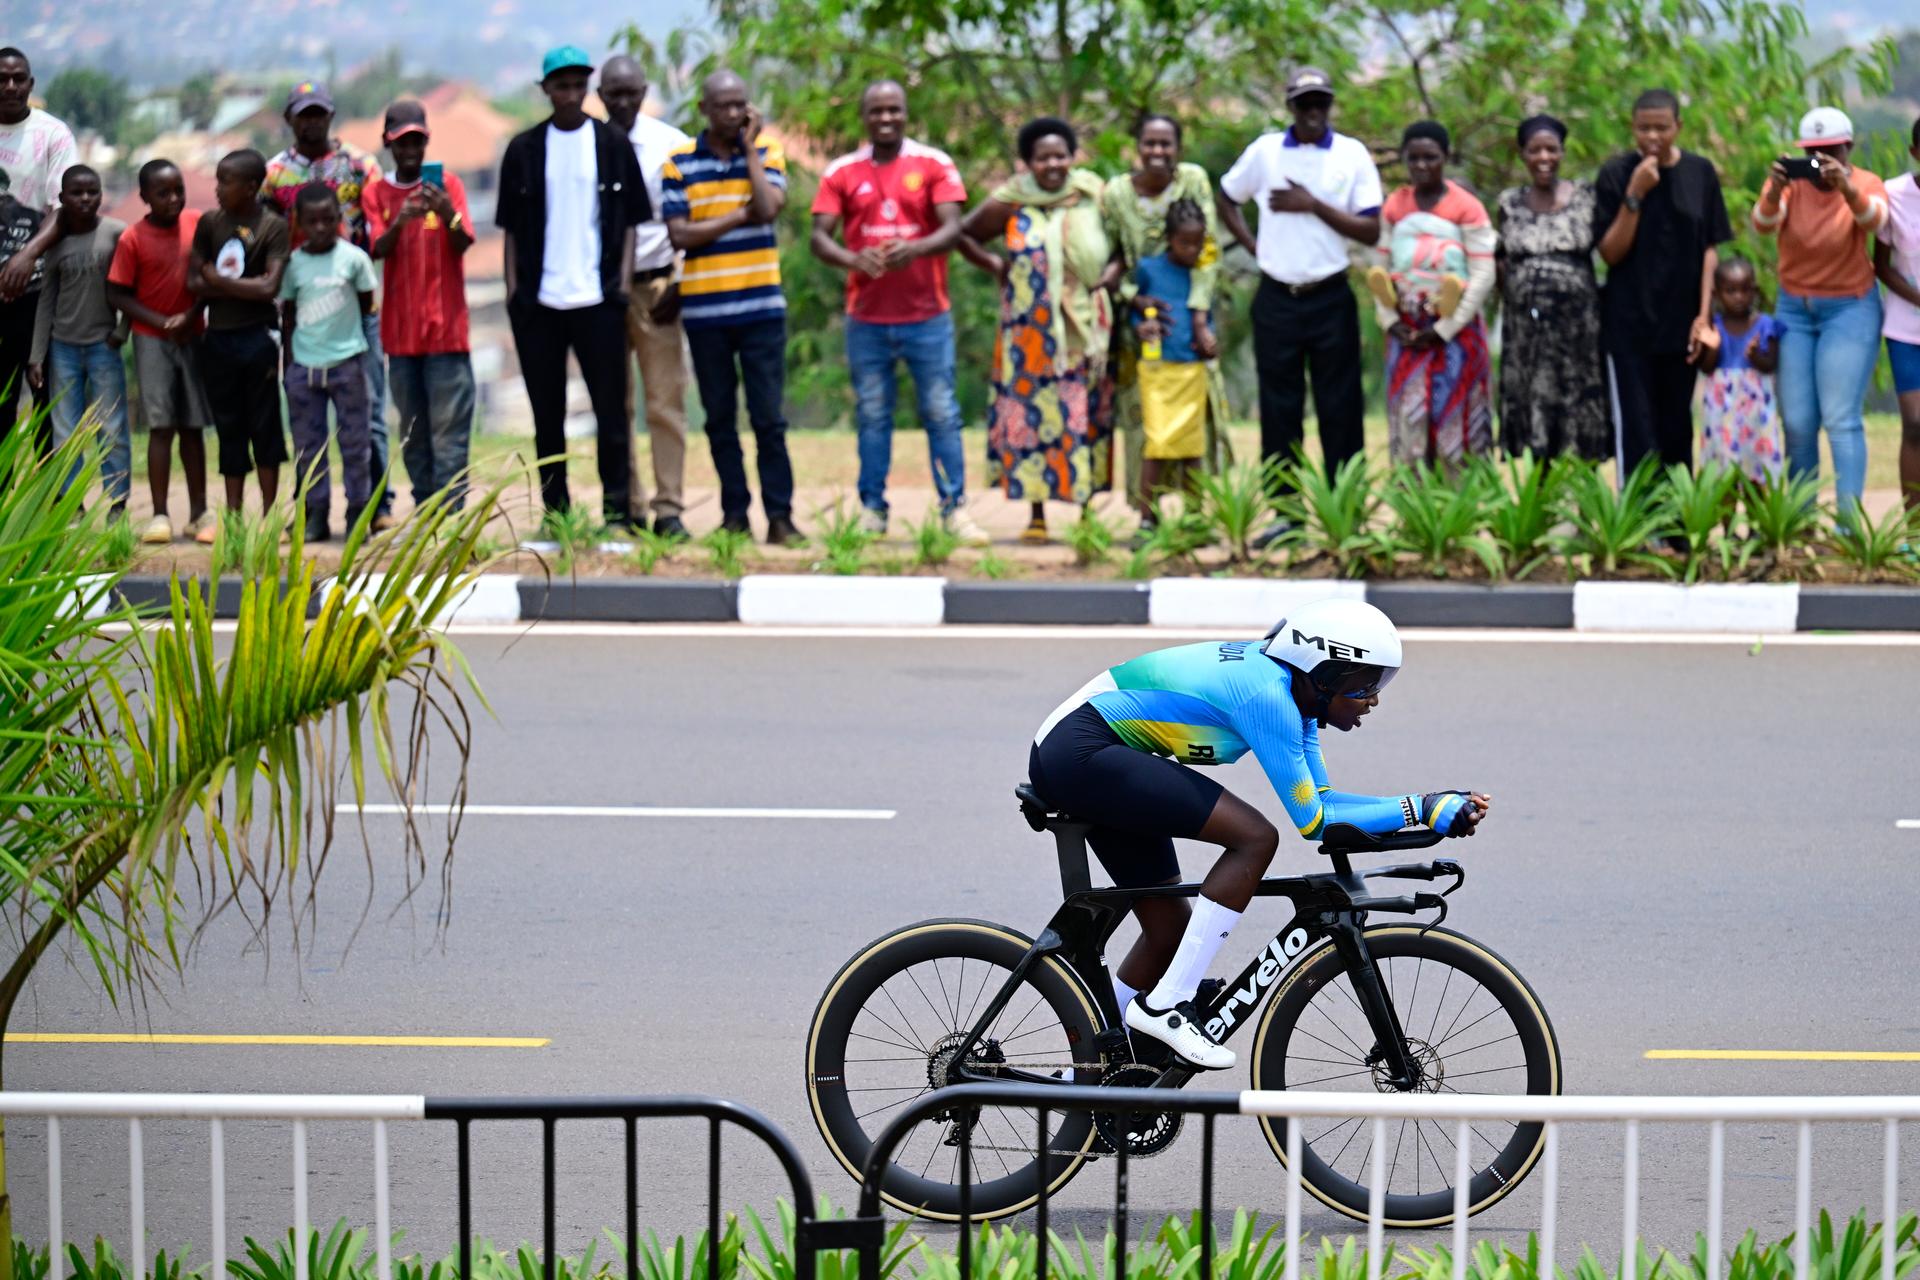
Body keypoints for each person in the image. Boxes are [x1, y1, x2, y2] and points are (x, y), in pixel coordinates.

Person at [1025, 598, 1488, 1069]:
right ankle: (1167, 1005)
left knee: (1169, 931)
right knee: (1255, 838)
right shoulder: (1267, 696)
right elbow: (1316, 821)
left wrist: (1428, 807)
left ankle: (1102, 1062)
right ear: (1324, 675)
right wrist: (1423, 808)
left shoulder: (1298, 700)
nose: (1374, 698)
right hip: (1081, 753)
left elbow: (1323, 802)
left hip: (1089, 752)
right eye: (1365, 683)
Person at [810, 80, 987, 544]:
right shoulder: (842, 171)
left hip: (928, 314)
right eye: (876, 111)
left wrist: (917, 248)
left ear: (907, 115)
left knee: (941, 411)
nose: (885, 118)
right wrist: (853, 259)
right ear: (864, 117)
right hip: (866, 317)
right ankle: (872, 509)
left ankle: (954, 509)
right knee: (872, 415)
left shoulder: (934, 163)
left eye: (894, 110)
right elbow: (818, 237)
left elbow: (953, 229)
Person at [1218, 67, 1382, 542]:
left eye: (1320, 104)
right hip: (1277, 295)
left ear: (1330, 106)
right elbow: (1228, 196)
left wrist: (1314, 205)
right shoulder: (1265, 151)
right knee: (1279, 409)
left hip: (1330, 293)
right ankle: (1287, 516)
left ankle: (1343, 512)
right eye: (1304, 104)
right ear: (1290, 107)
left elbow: (1370, 229)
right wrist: (1253, 246)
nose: (1313, 113)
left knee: (1341, 408)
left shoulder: (1351, 154)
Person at [497, 46, 649, 531]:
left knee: (612, 413)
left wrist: (621, 287)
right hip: (540, 304)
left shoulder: (611, 144)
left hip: (598, 300)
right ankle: (555, 515)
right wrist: (514, 296)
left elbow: (631, 223)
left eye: (577, 85)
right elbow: (511, 231)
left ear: (587, 89)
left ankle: (618, 513)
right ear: (544, 90)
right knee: (548, 416)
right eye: (560, 86)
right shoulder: (523, 149)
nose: (569, 94)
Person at [662, 70, 803, 546]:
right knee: (720, 420)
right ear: (703, 109)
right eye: (722, 105)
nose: (733, 113)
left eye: (740, 104)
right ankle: (734, 515)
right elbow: (679, 235)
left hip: (762, 309)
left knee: (769, 420)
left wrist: (748, 153)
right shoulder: (678, 162)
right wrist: (740, 214)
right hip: (705, 315)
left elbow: (768, 209)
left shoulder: (767, 153)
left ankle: (780, 517)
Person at [960, 116, 1113, 543]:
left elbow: (1119, 244)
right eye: (1042, 158)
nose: (1053, 165)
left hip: (1082, 331)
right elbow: (963, 233)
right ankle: (1037, 515)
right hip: (1028, 337)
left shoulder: (1092, 197)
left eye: (1060, 156)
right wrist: (993, 264)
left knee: (1082, 419)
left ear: (1072, 157)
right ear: (1027, 163)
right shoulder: (1011, 202)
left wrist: (1110, 278)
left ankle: (1086, 515)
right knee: (1032, 421)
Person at [264, 81, 394, 526]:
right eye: (304, 114)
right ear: (290, 119)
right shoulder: (275, 173)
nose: (312, 121)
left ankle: (376, 506)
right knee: (308, 428)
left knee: (367, 417)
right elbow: (264, 233)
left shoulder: (360, 165)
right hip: (304, 305)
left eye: (319, 112)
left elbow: (377, 224)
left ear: (331, 115)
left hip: (353, 308)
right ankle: (313, 509)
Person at [1752, 106, 1889, 516]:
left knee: (1840, 418)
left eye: (1831, 151)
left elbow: (1875, 221)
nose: (1821, 161)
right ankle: (1801, 521)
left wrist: (1846, 188)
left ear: (1849, 148)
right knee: (1796, 421)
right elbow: (1762, 223)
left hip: (1848, 308)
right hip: (1795, 309)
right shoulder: (1791, 186)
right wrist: (1775, 189)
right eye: (1812, 152)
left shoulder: (1866, 183)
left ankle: (1849, 529)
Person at [1593, 89, 1732, 475]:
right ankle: (1638, 529)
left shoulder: (1700, 173)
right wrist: (1635, 194)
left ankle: (1676, 531)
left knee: (1676, 430)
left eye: (1661, 128)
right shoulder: (1615, 174)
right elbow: (1609, 252)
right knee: (1637, 433)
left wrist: (1704, 316)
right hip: (1628, 328)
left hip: (1682, 326)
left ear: (1678, 127)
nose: (1652, 137)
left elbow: (1709, 249)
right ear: (1632, 128)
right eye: (1643, 128)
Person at [1099, 113, 1228, 518]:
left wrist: (1200, 317)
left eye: (1165, 144)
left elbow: (1208, 251)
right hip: (1143, 333)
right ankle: (1147, 515)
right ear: (1137, 148)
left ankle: (1196, 514)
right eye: (1149, 144)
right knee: (1145, 427)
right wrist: (1131, 298)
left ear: (1178, 148)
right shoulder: (1117, 194)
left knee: (1195, 428)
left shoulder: (1193, 181)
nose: (1157, 152)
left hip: (1190, 326)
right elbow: (1111, 258)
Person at [364, 100, 475, 512]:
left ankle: (452, 511)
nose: (410, 151)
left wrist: (445, 212)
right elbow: (377, 248)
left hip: (448, 333)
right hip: (401, 336)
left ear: (426, 141)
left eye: (417, 142)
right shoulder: (376, 193)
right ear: (388, 144)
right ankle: (426, 506)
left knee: (451, 430)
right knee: (412, 432)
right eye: (401, 143)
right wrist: (401, 220)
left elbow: (463, 241)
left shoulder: (450, 185)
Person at [599, 55, 692, 540]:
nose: (623, 102)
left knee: (664, 401)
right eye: (613, 94)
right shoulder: (589, 146)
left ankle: (669, 508)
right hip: (604, 292)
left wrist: (680, 281)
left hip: (658, 286)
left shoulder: (671, 145)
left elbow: (692, 218)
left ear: (644, 90)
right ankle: (625, 507)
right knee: (615, 405)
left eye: (631, 92)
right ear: (600, 97)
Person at [1366, 121, 1496, 467]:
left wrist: (1442, 330)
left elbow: (1483, 275)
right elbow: (1379, 264)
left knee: (1456, 418)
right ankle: (1415, 511)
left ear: (1446, 157)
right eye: (1414, 158)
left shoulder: (1466, 206)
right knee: (1410, 423)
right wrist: (1391, 322)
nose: (1422, 166)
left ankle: (1460, 513)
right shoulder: (1395, 204)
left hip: (1455, 326)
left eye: (1431, 158)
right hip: (1406, 328)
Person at [1495, 115, 1610, 460]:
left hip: (1578, 332)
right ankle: (1541, 504)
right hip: (1526, 334)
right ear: (1523, 155)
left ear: (1562, 153)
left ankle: (1584, 503)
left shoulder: (1585, 196)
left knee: (1579, 411)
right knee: (1536, 409)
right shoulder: (1509, 202)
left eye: (1551, 149)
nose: (1544, 157)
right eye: (1535, 150)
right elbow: (1501, 259)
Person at [107, 159, 211, 543]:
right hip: (151, 339)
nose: (173, 199)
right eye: (163, 193)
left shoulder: (197, 224)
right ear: (145, 196)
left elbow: (207, 277)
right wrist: (160, 320)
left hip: (193, 335)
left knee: (193, 426)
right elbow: (117, 292)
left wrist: (192, 314)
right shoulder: (132, 238)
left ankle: (200, 512)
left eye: (178, 190)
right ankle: (160, 514)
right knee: (161, 427)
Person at [189, 149, 290, 531]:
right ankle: (232, 520)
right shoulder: (209, 223)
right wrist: (230, 286)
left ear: (251, 187)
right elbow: (192, 280)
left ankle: (270, 517)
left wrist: (219, 282)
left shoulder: (272, 226)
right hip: (219, 338)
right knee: (229, 428)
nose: (217, 189)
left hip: (258, 337)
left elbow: (269, 287)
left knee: (264, 426)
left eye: (224, 182)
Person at [280, 184, 377, 541]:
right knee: (309, 447)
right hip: (305, 368)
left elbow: (368, 304)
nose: (320, 227)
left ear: (339, 219)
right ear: (300, 223)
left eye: (327, 219)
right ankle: (316, 515)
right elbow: (288, 316)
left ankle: (357, 514)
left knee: (355, 444)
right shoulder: (294, 265)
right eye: (312, 221)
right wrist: (290, 368)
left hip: (347, 365)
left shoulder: (354, 260)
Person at [30, 165, 127, 508]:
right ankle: (72, 506)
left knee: (111, 428)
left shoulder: (117, 234)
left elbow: (132, 288)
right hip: (62, 349)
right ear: (62, 198)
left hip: (104, 344)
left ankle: (117, 505)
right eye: (76, 193)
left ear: (102, 194)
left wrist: (122, 331)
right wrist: (36, 355)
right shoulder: (55, 243)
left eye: (92, 192)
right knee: (66, 432)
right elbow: (46, 301)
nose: (85, 199)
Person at [1130, 199, 1222, 527]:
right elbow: (1134, 309)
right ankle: (1147, 518)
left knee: (1192, 448)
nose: (1192, 249)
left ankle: (1196, 519)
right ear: (1169, 239)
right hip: (1157, 371)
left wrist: (1209, 339)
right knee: (1158, 443)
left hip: (1191, 370)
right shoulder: (1149, 269)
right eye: (1185, 242)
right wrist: (1139, 325)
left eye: (1198, 243)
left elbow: (1206, 315)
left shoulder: (1203, 273)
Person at [0, 46, 75, 437]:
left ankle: (52, 498)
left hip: (38, 292)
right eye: (2, 79)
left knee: (47, 400)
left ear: (31, 84)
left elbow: (63, 207)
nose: (10, 86)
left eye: (19, 79)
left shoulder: (52, 134)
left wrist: (26, 256)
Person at [1694, 256, 1783, 482]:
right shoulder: (1715, 326)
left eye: (1745, 290)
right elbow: (1706, 368)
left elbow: (1771, 363)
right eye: (1730, 291)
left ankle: (1759, 516)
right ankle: (1727, 518)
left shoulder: (1765, 325)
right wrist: (1712, 348)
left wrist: (1755, 355)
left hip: (1755, 415)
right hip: (1722, 416)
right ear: (1717, 294)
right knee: (1724, 474)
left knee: (1757, 472)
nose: (1739, 297)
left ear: (1754, 290)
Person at [1875, 116, 1920, 514]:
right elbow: (1881, 264)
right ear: (1914, 152)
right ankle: (1913, 527)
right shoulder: (1894, 195)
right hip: (1907, 328)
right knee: (1915, 425)